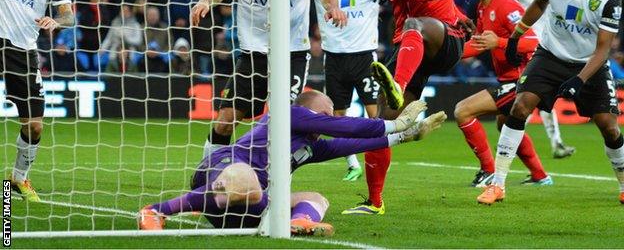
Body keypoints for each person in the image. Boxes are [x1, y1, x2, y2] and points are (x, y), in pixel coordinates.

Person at [343, 0, 492, 215]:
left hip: (443, 42)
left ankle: (397, 83)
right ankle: (375, 202)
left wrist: (458, 15)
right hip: (414, 47)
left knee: (415, 25)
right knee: (382, 124)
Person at [137, 90, 447, 235]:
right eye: (323, 114)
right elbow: (344, 127)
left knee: (315, 198)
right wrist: (393, 124)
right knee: (250, 184)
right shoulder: (289, 113)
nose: (327, 120)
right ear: (307, 111)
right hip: (223, 168)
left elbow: (350, 143)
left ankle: (299, 223)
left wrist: (408, 136)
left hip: (248, 208)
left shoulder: (310, 146)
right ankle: (155, 211)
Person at [477, 0, 623, 205]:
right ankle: (497, 185)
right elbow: (539, 4)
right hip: (550, 55)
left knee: (609, 127)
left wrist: (579, 80)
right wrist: (516, 35)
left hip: (589, 63)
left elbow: (603, 49)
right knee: (520, 107)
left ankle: (623, 183)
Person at [191, 0, 347, 159]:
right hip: (254, 52)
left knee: (280, 121)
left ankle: (277, 181)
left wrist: (333, 7)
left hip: (292, 51)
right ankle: (207, 173)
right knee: (225, 121)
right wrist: (204, 2)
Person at [454, 0, 551, 187]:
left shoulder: (506, 5)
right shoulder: (481, 7)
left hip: (524, 79)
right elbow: (478, 45)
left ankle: (488, 170)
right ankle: (540, 175)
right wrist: (446, 57)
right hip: (510, 79)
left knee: (463, 111)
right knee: (505, 123)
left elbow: (533, 43)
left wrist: (499, 41)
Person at [2, 0, 73, 202]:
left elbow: (68, 15)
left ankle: (19, 178)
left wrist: (57, 20)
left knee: (34, 124)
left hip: (23, 50)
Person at [313, 0, 386, 182]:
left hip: (364, 56)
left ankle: (376, 161)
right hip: (334, 58)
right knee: (338, 116)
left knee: (374, 113)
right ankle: (352, 163)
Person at [510, 0, 576, 159]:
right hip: (529, 50)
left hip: (552, 49)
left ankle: (517, 140)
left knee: (541, 99)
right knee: (531, 99)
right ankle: (513, 140)